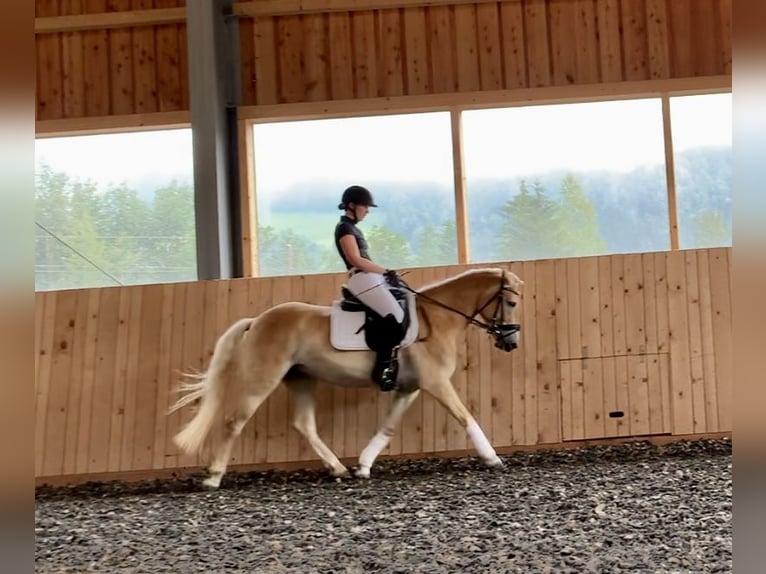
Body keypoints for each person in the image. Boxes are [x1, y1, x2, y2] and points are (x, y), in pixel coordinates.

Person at [334, 185, 406, 390]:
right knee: (395, 316)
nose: (367, 211)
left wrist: (388, 275)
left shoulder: (353, 228)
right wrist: (385, 271)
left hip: (369, 276)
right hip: (360, 278)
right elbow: (355, 259)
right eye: (365, 206)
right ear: (351, 206)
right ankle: (382, 368)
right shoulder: (345, 228)